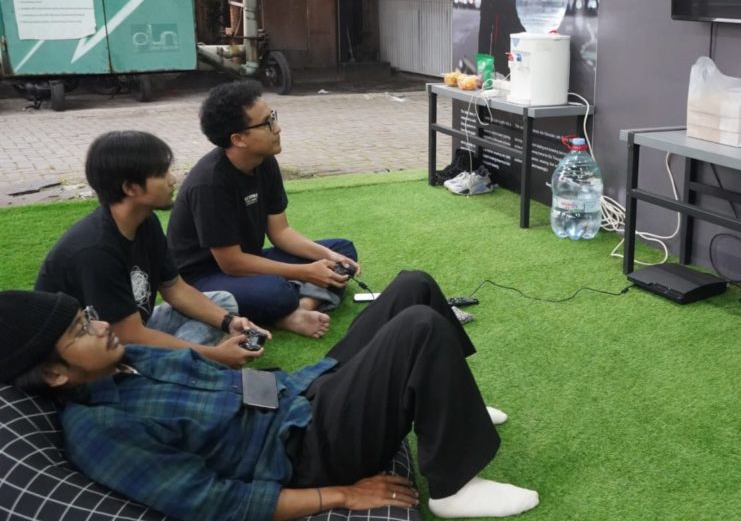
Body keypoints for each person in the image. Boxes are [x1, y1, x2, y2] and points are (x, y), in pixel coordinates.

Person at [1, 271, 539, 520]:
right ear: (54, 374)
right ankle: (452, 487)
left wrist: (227, 348)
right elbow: (216, 503)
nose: (100, 327)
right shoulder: (101, 431)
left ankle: (451, 408)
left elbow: (200, 371)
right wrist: (340, 496)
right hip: (304, 451)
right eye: (80, 331)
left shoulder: (125, 359)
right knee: (418, 327)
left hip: (295, 394)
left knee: (411, 286)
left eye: (87, 317)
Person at [35, 130, 268, 369]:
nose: (172, 180)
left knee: (223, 302)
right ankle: (182, 365)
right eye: (162, 173)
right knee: (134, 354)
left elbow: (175, 289)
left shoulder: (145, 222)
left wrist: (229, 322)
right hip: (90, 353)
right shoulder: (96, 251)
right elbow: (129, 337)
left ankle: (179, 363)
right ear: (131, 188)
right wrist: (215, 355)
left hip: (133, 326)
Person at [167, 81, 357, 339]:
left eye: (273, 117)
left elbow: (281, 232)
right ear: (238, 139)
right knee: (276, 292)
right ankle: (292, 305)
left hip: (249, 259)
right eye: (267, 123)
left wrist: (327, 256)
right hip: (205, 277)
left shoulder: (264, 161)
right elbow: (231, 263)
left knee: (342, 251)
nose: (277, 128)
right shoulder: (209, 183)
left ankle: (300, 309)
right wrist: (305, 272)